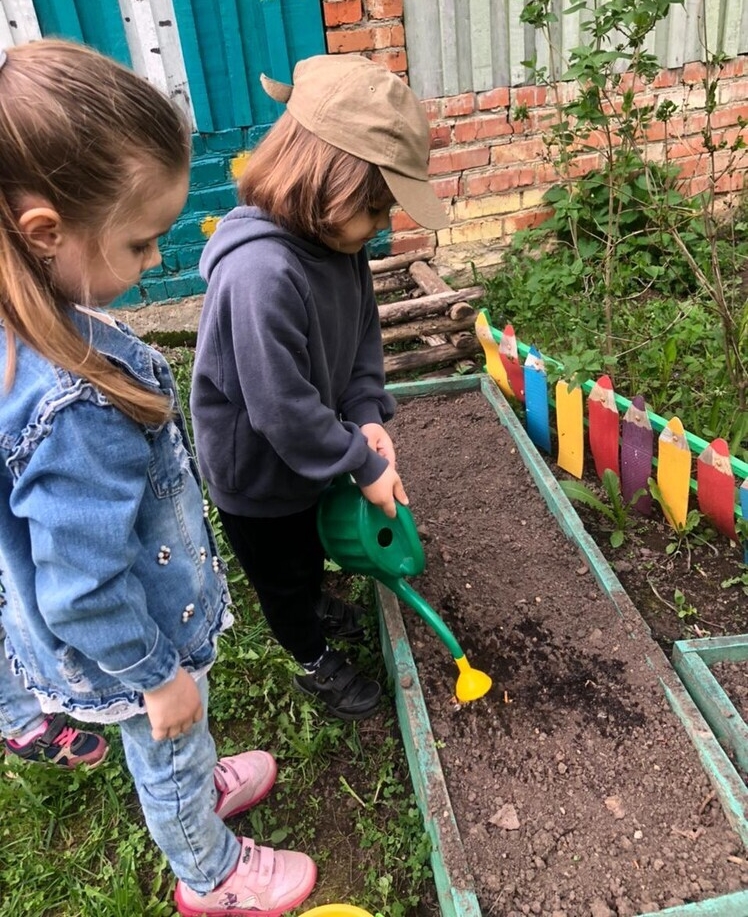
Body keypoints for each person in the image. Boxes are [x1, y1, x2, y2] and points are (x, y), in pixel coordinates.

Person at [0, 39, 316, 916]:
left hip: (131, 627)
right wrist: (155, 675)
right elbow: (82, 586)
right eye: (141, 243)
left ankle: (194, 774)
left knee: (179, 733)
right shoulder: (72, 411)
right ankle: (209, 870)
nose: (152, 263)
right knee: (166, 738)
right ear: (45, 233)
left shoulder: (35, 327)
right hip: (132, 643)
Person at [190, 54, 449, 723]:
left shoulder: (341, 249)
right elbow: (283, 409)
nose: (383, 225)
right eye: (377, 207)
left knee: (306, 544)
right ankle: (310, 653)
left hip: (309, 449)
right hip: (257, 467)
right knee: (279, 567)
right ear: (329, 182)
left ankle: (314, 597)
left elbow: (363, 336)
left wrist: (364, 411)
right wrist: (360, 461)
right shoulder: (260, 275)